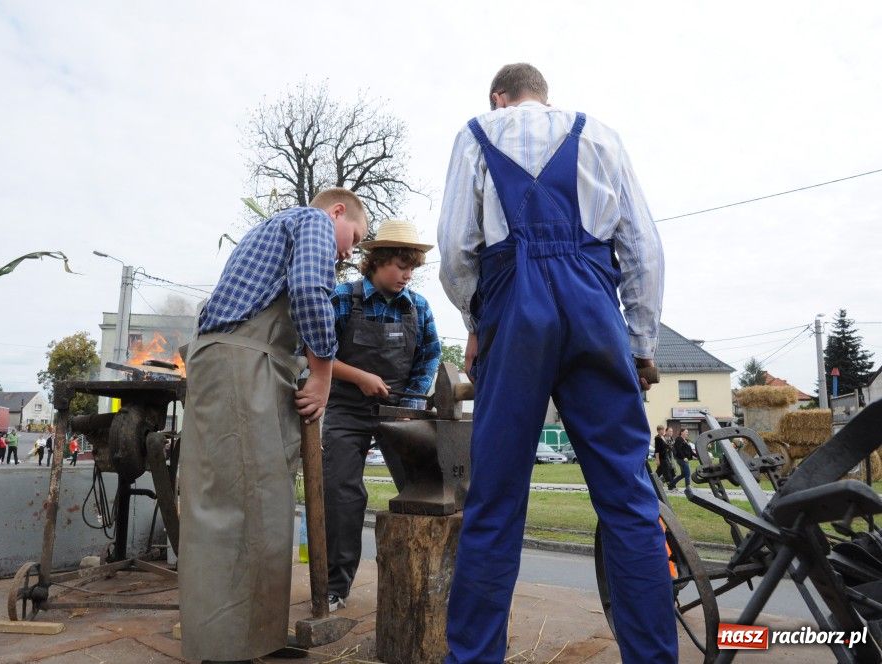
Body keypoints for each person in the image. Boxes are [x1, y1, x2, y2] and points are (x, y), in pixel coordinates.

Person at [437, 63, 675, 663]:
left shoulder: (476, 133)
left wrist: (476, 321)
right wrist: (641, 343)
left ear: (498, 98)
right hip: (594, 302)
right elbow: (643, 248)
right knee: (628, 501)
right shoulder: (600, 134)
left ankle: (474, 657)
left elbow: (455, 250)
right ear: (545, 96)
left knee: (494, 501)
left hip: (513, 305)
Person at [179, 187, 367, 664]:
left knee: (261, 504)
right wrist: (322, 372)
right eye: (354, 238)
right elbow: (308, 291)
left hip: (249, 364)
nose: (349, 252)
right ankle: (225, 649)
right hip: (241, 363)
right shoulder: (313, 221)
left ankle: (256, 639)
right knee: (237, 505)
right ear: (338, 211)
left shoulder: (277, 230)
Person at [322, 219, 442, 612]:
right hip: (347, 408)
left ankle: (426, 586)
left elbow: (429, 356)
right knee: (341, 493)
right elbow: (317, 356)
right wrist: (360, 377)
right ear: (377, 261)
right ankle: (335, 586)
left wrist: (410, 409)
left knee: (424, 489)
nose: (407, 275)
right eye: (401, 266)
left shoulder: (418, 307)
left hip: (399, 412)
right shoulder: (343, 298)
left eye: (412, 268)